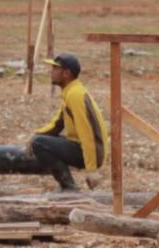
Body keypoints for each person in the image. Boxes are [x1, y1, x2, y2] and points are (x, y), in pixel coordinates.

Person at [28, 52, 109, 191]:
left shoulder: (75, 95)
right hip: (83, 148)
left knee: (39, 143)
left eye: (55, 69)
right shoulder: (70, 92)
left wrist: (91, 169)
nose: (51, 72)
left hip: (91, 152)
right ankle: (66, 186)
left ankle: (69, 187)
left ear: (66, 73)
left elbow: (87, 131)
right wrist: (35, 135)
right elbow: (57, 123)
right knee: (39, 140)